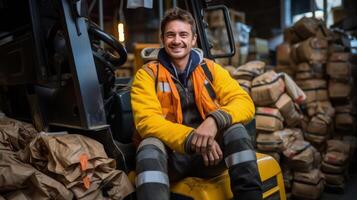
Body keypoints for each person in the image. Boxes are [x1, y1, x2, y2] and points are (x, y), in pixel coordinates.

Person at [131, 7, 262, 200]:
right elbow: (147, 121)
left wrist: (214, 121)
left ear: (193, 39)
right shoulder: (148, 74)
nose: (177, 41)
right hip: (171, 160)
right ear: (162, 39)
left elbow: (243, 102)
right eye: (170, 35)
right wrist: (193, 139)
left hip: (211, 157)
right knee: (149, 146)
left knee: (236, 130)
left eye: (183, 34)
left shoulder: (211, 69)